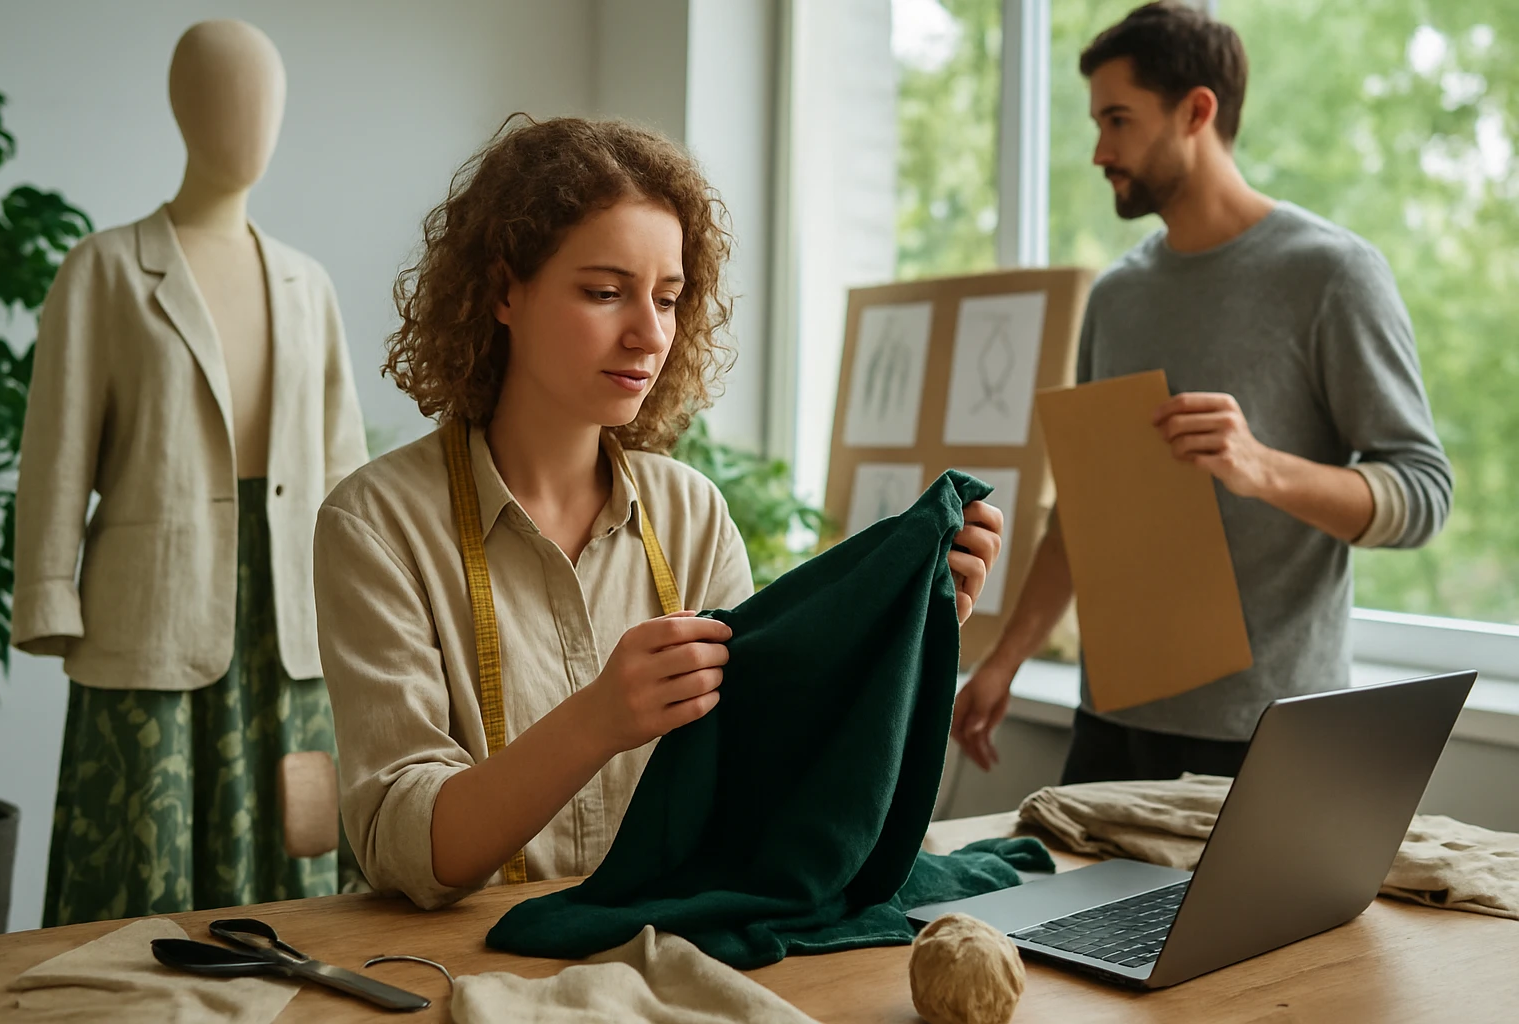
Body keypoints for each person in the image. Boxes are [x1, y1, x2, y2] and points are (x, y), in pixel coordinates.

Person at [315, 116, 1005, 909]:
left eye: (669, 298)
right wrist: (597, 721)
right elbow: (407, 849)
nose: (650, 334)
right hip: (460, 967)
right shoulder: (377, 525)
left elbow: (765, 776)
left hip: (667, 944)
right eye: (605, 293)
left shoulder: (691, 513)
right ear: (504, 290)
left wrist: (910, 629)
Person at [952, 2, 1451, 784]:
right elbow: (1084, 509)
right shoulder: (1117, 295)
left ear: (1198, 110)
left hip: (1268, 740)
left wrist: (1261, 467)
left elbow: (1423, 493)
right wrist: (1003, 662)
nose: (1099, 151)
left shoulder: (1332, 275)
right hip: (1110, 728)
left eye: (1118, 120)